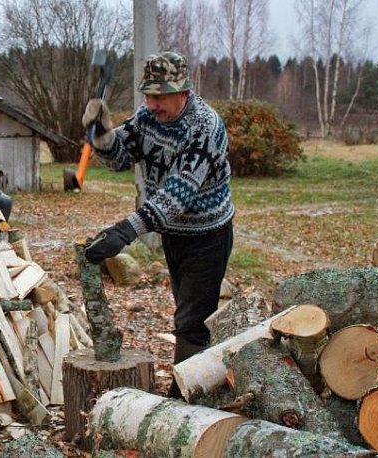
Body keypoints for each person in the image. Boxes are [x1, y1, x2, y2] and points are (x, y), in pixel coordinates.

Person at [82, 51, 235, 398]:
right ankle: (202, 382)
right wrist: (102, 134)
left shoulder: (205, 127)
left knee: (192, 322)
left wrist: (125, 231)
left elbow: (177, 195)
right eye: (147, 95)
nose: (150, 103)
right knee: (187, 311)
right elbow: (120, 158)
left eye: (159, 96)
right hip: (174, 235)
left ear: (183, 92)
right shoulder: (147, 117)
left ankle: (186, 400)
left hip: (208, 234)